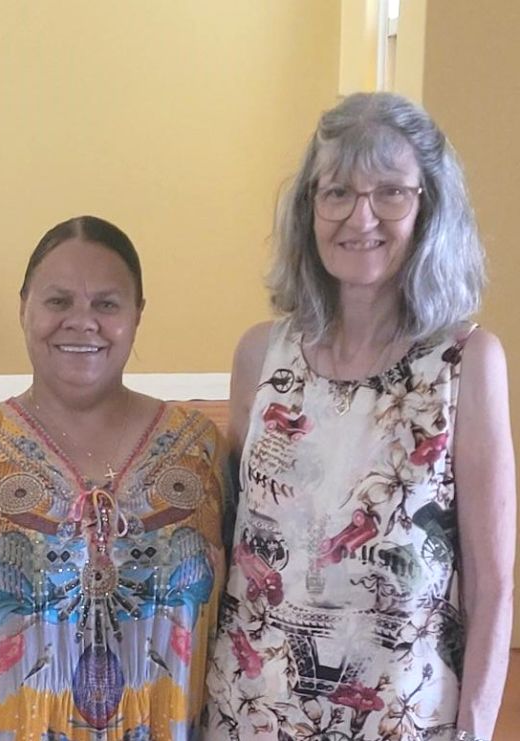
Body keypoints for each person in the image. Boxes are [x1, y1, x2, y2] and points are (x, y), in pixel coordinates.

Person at [205, 92, 515, 741]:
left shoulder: (466, 364)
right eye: (338, 191)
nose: (360, 216)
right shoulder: (260, 355)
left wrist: (477, 727)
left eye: (390, 193)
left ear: (427, 206)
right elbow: (232, 545)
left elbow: (491, 582)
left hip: (403, 716)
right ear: (309, 209)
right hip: (251, 711)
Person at [0, 215, 226, 739]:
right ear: (24, 308)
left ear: (137, 315)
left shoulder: (201, 453)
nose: (82, 322)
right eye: (58, 302)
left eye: (107, 303)